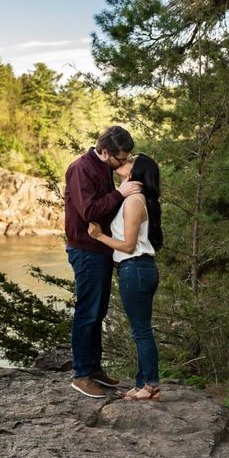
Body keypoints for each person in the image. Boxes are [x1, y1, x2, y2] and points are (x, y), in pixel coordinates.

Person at [64, 126, 143, 398]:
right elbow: (89, 211)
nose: (123, 164)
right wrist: (121, 193)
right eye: (120, 159)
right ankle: (82, 375)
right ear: (105, 151)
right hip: (85, 250)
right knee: (87, 311)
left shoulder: (103, 168)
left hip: (100, 249)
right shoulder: (80, 169)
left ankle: (94, 368)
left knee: (98, 312)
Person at [88, 153, 163, 401]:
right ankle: (143, 383)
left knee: (141, 331)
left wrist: (99, 236)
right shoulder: (132, 198)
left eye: (130, 160)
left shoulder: (134, 201)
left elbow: (129, 245)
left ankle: (150, 386)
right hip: (138, 269)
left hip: (135, 266)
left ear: (135, 172)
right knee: (140, 330)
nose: (124, 161)